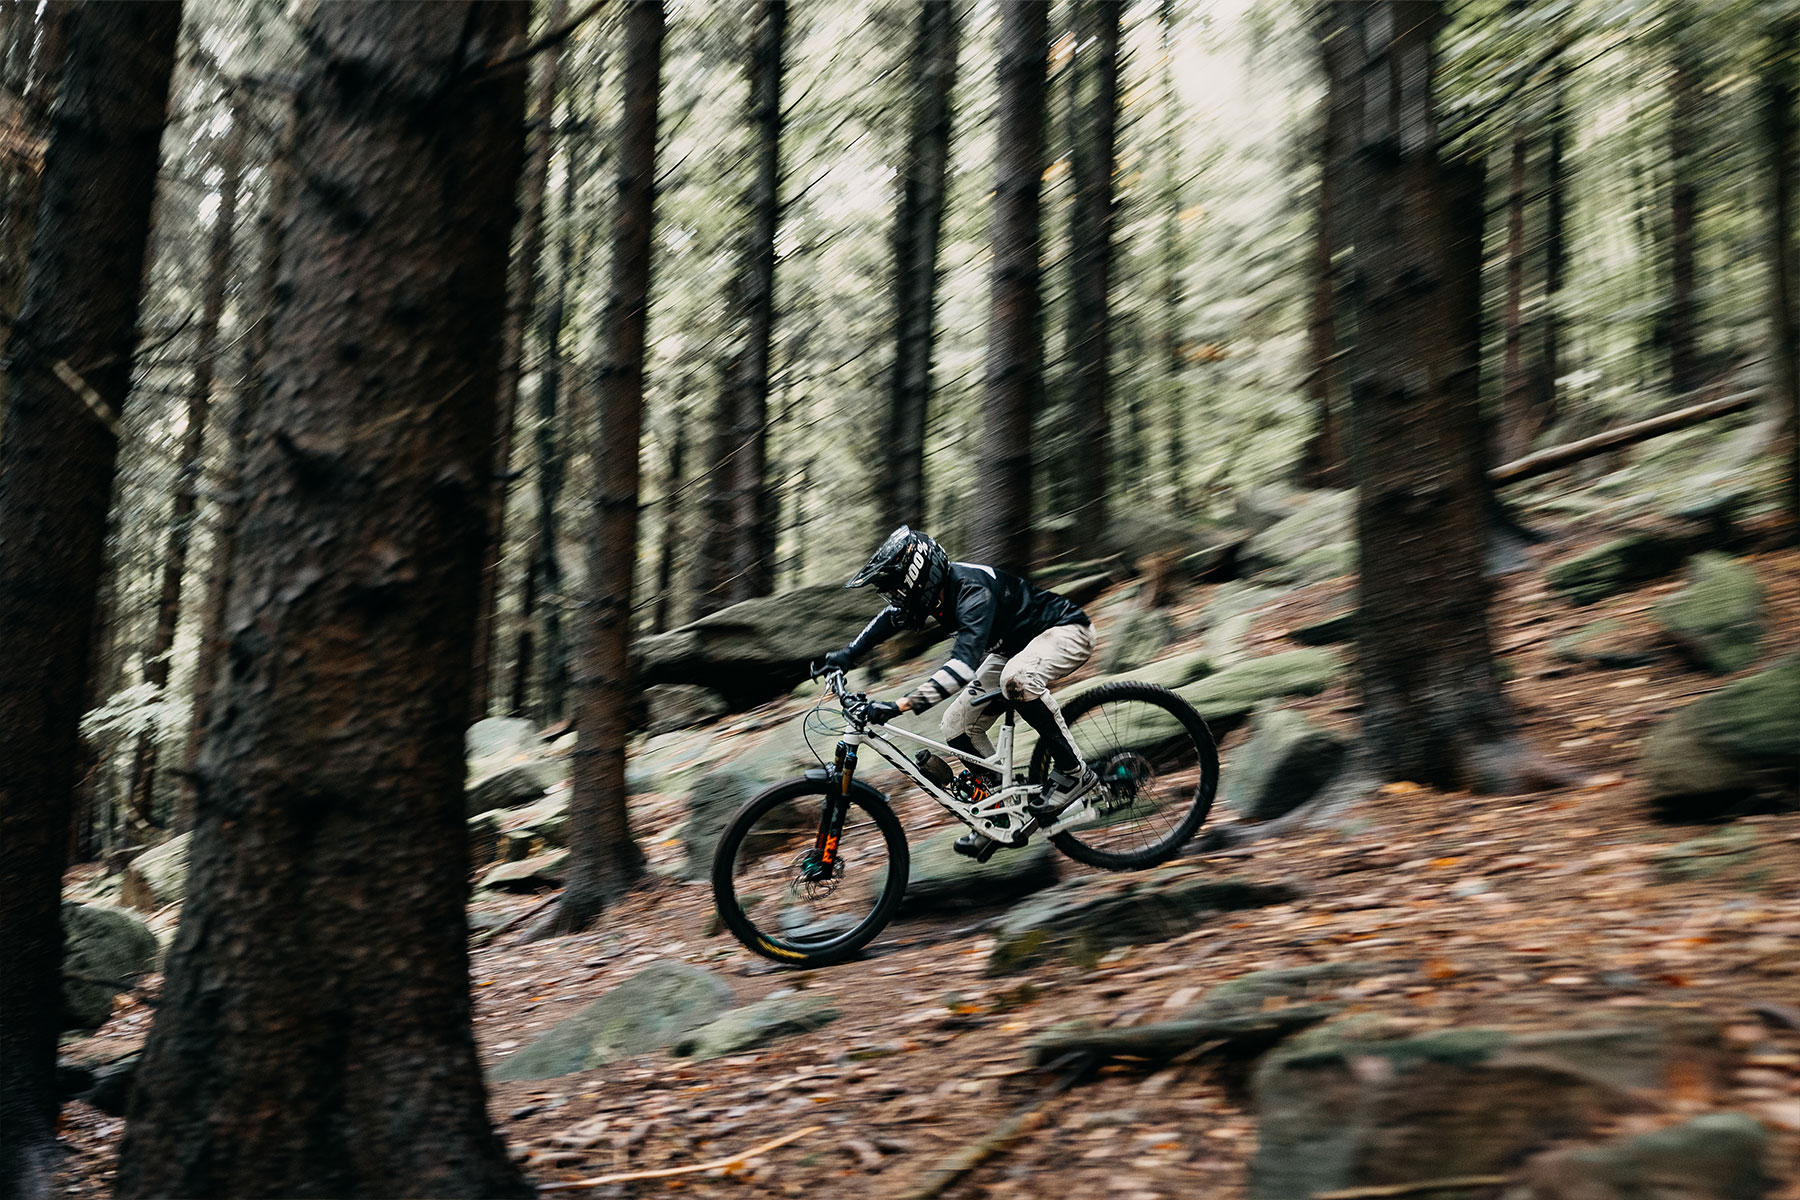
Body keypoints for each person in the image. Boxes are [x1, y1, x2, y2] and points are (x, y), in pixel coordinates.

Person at [819, 526, 1097, 857]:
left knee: (1017, 679)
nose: (896, 600)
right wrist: (848, 655)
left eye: (897, 591)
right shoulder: (935, 595)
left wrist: (899, 706)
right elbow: (888, 620)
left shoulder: (971, 592)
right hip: (1015, 649)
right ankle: (1000, 814)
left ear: (918, 579)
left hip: (1066, 631)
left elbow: (960, 670)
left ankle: (1073, 772)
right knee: (956, 724)